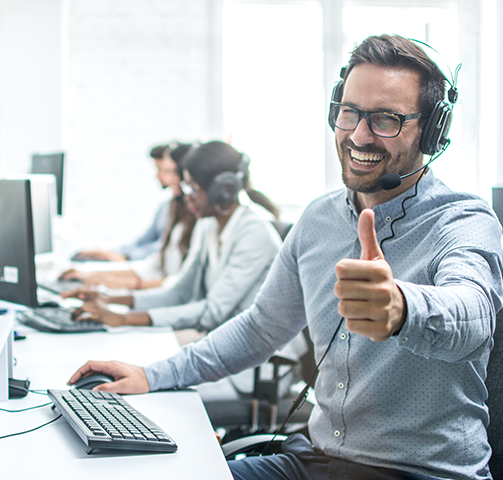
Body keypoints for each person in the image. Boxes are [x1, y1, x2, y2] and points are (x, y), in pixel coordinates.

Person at [68, 35, 503, 480]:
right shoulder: (319, 219)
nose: (357, 134)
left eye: (385, 119)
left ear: (430, 131)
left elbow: (472, 314)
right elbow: (260, 327)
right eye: (349, 112)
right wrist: (151, 375)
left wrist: (402, 308)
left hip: (419, 474)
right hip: (316, 461)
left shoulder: (464, 221)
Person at [61, 140, 282, 332]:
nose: (186, 197)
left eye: (193, 188)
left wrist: (123, 319)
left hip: (255, 360)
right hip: (221, 338)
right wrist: (109, 300)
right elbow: (180, 292)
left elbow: (213, 311)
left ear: (221, 191)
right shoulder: (209, 226)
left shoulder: (253, 233)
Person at [61, 144, 197, 290]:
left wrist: (115, 280)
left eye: (170, 171)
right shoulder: (172, 209)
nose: (164, 177)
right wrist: (92, 275)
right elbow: (151, 265)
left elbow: (178, 283)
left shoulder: (198, 222)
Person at [70, 143, 177, 262]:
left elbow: (166, 248)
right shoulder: (165, 207)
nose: (157, 175)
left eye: (163, 170)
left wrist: (127, 256)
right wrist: (110, 252)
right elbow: (143, 242)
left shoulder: (188, 210)